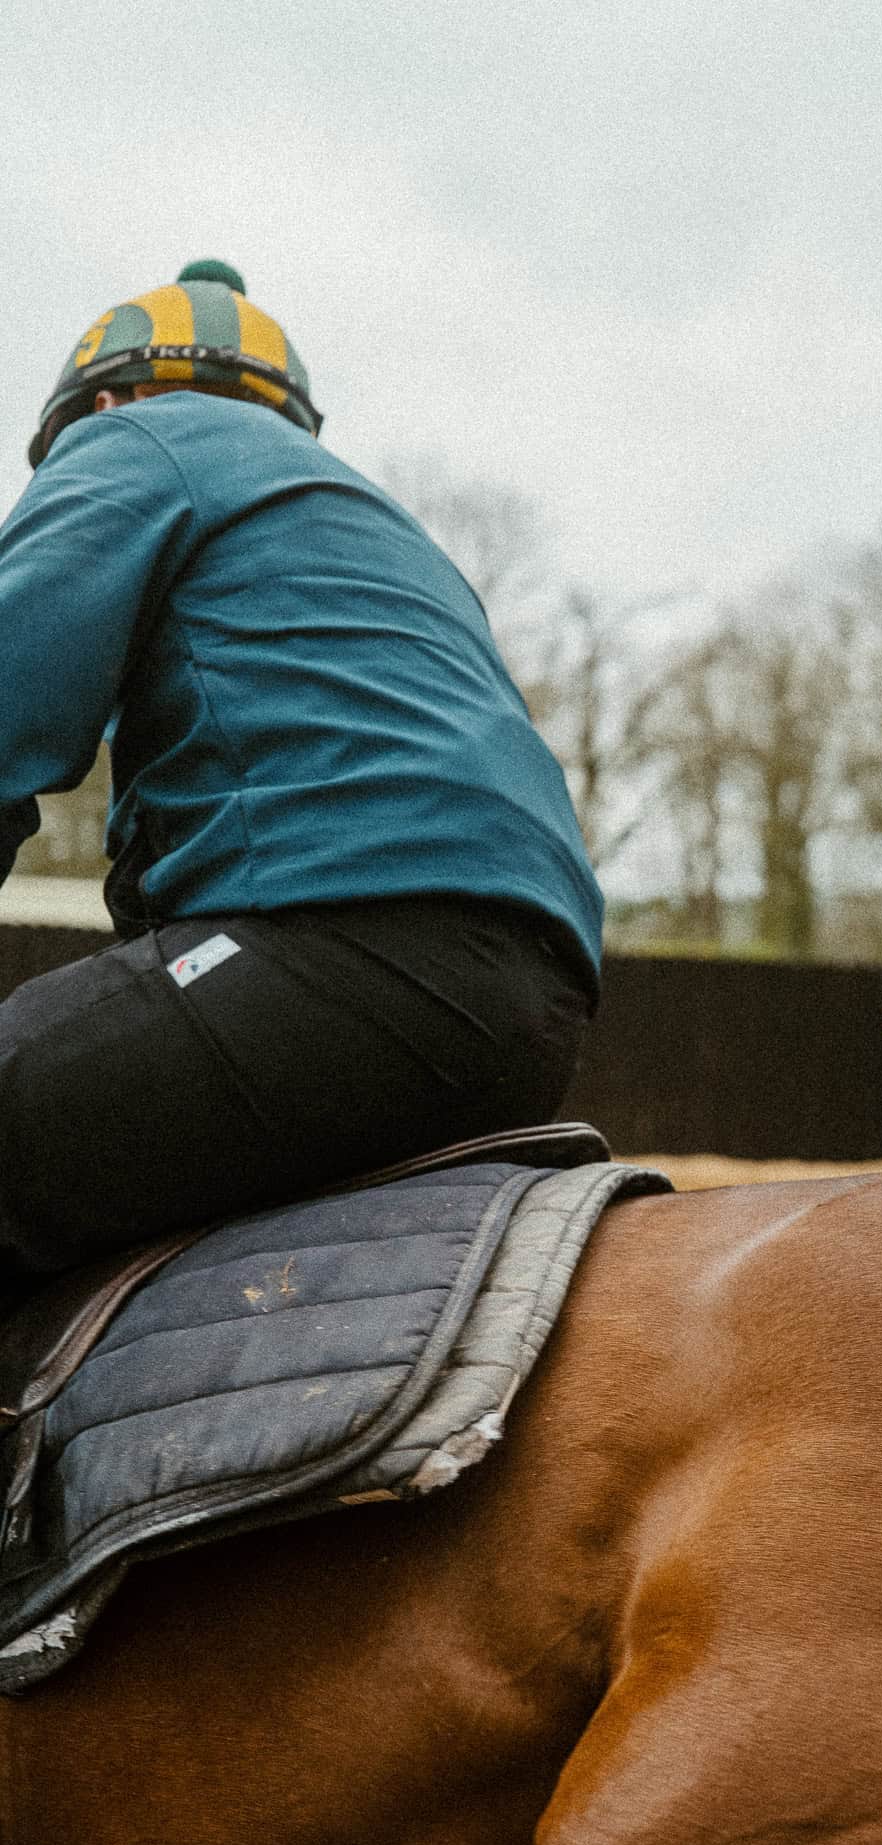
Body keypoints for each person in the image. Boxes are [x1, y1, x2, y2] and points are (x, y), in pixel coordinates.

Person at [0, 260, 603, 1288]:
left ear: (101, 404)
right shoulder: (379, 531)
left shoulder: (141, 440)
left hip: (340, 954)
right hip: (536, 1010)